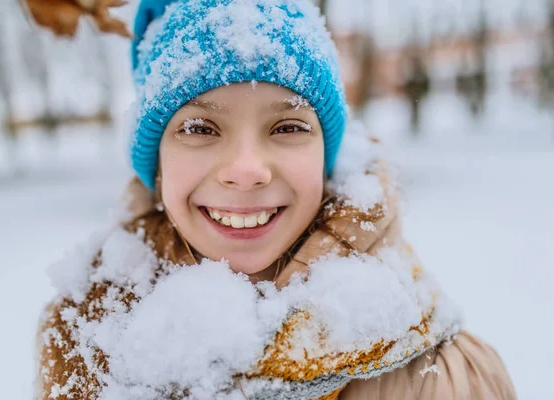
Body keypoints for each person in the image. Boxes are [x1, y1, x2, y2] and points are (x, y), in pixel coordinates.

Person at [35, 1, 515, 399]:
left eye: (287, 127)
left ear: (326, 153)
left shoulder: (436, 372)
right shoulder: (82, 343)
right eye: (201, 127)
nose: (246, 171)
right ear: (156, 164)